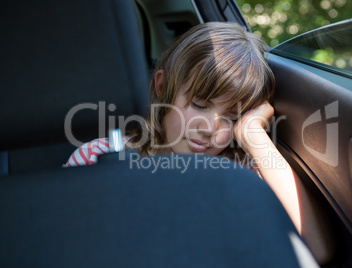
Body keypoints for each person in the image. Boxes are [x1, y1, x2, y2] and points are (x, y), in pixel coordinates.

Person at [64, 22, 334, 264]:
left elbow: (315, 249)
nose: (209, 129)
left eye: (231, 117)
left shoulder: (242, 173)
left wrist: (253, 135)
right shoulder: (100, 158)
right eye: (199, 104)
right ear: (162, 86)